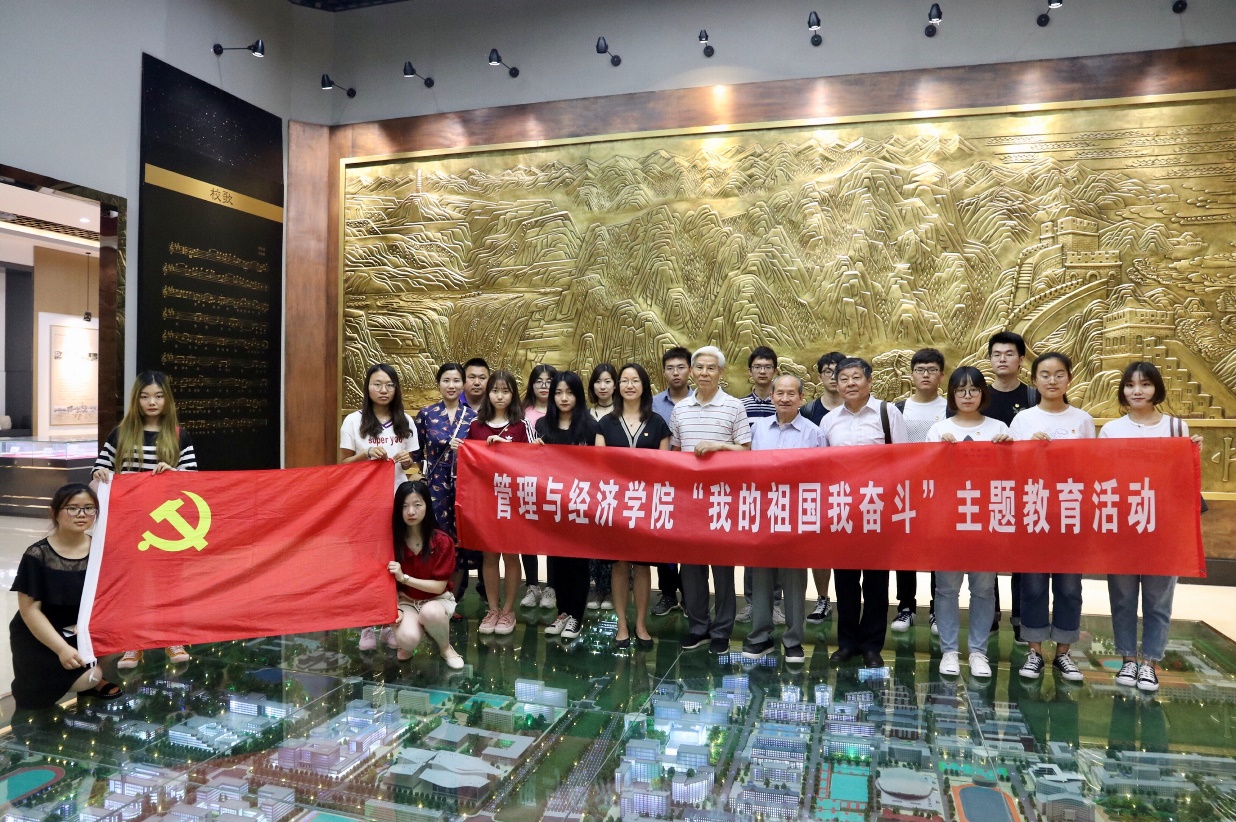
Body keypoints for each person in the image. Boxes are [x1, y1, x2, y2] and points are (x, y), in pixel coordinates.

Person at [1100, 361, 1202, 692]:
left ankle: (1150, 664)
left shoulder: (1176, 427)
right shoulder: (1111, 430)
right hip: (1123, 526)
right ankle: (1128, 660)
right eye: (1130, 385)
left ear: (1156, 388)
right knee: (1123, 598)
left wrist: (1193, 454)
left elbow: (1181, 479)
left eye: (1145, 384)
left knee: (1158, 600)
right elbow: (1103, 477)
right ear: (1123, 391)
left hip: (1164, 528)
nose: (1137, 391)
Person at [92, 371, 197, 669]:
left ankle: (173, 639)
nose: (152, 402)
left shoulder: (179, 435)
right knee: (132, 583)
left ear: (167, 399)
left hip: (167, 523)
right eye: (145, 396)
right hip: (129, 521)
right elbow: (99, 469)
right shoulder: (120, 433)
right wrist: (100, 473)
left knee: (169, 582)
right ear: (136, 400)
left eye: (158, 396)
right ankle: (133, 644)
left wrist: (173, 474)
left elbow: (193, 478)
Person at [1010, 352, 1095, 682]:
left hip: (1070, 513)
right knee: (1033, 585)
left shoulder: (1082, 420)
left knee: (1069, 586)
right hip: (1034, 511)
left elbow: (1092, 467)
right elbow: (1010, 469)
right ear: (1034, 381)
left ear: (1069, 379)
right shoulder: (1023, 420)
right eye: (1044, 375)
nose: (1052, 380)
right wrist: (1028, 448)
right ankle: (1034, 652)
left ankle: (1063, 653)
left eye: (1059, 374)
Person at [820, 357, 907, 668]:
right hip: (842, 509)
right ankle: (846, 643)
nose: (850, 383)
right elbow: (821, 467)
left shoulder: (887, 412)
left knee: (875, 582)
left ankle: (871, 646)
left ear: (869, 381)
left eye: (856, 377)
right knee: (844, 581)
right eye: (844, 378)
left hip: (878, 508)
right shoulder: (829, 420)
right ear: (836, 384)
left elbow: (903, 460)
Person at [926, 366, 1012, 678]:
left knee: (984, 588)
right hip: (949, 521)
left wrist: (1008, 451)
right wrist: (938, 453)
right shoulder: (939, 430)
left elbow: (1012, 476)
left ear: (982, 393)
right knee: (947, 588)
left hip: (987, 521)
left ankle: (978, 652)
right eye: (960, 390)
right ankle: (949, 650)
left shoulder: (998, 427)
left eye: (973, 389)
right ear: (952, 395)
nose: (967, 396)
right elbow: (925, 476)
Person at [670, 345, 752, 654]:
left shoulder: (734, 407)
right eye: (700, 367)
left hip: (722, 499)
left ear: (721, 373)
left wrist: (719, 447)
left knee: (722, 568)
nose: (705, 373)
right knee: (691, 568)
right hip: (689, 501)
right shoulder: (680, 409)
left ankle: (721, 630)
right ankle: (698, 626)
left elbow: (746, 451)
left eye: (711, 368)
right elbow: (675, 454)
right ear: (692, 371)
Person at [10, 483, 122, 709]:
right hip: (41, 634)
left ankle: (92, 678)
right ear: (54, 512)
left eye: (89, 508)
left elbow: (112, 597)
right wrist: (61, 648)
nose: (82, 514)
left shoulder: (102, 550)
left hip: (81, 629)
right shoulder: (37, 555)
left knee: (101, 663)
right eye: (72, 508)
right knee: (74, 682)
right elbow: (29, 610)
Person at [742, 375, 827, 664]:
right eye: (780, 393)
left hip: (797, 513)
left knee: (793, 580)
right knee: (761, 576)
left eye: (791, 394)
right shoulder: (758, 429)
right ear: (772, 397)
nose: (785, 398)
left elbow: (821, 476)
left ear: (801, 398)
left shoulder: (814, 433)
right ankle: (760, 636)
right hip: (763, 511)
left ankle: (793, 641)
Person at [340, 363, 419, 652]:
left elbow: (411, 466)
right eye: (377, 384)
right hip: (364, 503)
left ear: (396, 389)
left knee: (393, 560)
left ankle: (389, 622)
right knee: (366, 562)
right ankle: (366, 625)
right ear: (368, 387)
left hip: (398, 501)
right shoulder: (353, 421)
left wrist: (408, 462)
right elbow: (343, 466)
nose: (383, 390)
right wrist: (365, 455)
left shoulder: (405, 421)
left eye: (389, 385)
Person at [596, 363, 671, 650]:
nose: (629, 385)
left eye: (635, 380)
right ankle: (621, 624)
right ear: (618, 387)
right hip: (615, 502)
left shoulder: (657, 423)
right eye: (625, 380)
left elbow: (665, 467)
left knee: (641, 565)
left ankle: (640, 623)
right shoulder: (605, 423)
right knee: (619, 564)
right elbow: (600, 465)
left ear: (644, 386)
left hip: (646, 503)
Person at [467, 370, 535, 636]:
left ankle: (508, 610)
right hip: (485, 499)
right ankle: (493, 609)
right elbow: (471, 463)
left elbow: (532, 463)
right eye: (495, 391)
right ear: (488, 394)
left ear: (513, 395)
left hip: (513, 501)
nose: (500, 396)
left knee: (510, 555)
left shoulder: (521, 425)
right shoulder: (476, 425)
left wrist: (506, 449)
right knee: (489, 556)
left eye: (505, 391)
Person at [534, 372, 600, 641]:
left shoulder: (590, 426)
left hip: (580, 502)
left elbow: (598, 465)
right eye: (559, 392)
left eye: (570, 393)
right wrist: (533, 450)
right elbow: (532, 465)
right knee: (556, 560)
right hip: (552, 503)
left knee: (577, 561)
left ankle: (576, 616)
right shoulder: (542, 426)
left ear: (578, 396)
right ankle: (562, 612)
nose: (564, 398)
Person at [986, 331, 1040, 642]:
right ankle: (990, 615)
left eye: (1009, 354)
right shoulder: (979, 396)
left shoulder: (1034, 397)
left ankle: (1021, 618)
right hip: (987, 490)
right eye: (997, 354)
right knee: (988, 555)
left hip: (1026, 490)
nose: (1002, 359)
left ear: (1021, 360)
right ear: (990, 359)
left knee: (1023, 558)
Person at [891, 348, 947, 634]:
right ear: (911, 374)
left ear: (941, 375)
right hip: (906, 487)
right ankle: (906, 607)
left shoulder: (950, 408)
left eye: (932, 370)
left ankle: (938, 609)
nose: (926, 375)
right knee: (906, 548)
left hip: (940, 488)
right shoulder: (898, 408)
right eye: (920, 370)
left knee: (938, 547)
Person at [414, 363, 477, 613]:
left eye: (456, 381)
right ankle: (431, 596)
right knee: (436, 540)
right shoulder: (426, 414)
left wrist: (465, 450)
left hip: (464, 487)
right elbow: (416, 452)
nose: (451, 386)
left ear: (463, 385)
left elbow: (481, 455)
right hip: (435, 488)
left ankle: (453, 601)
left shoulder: (473, 417)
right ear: (438, 384)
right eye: (446, 381)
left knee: (460, 542)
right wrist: (420, 476)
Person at [388, 480, 464, 669]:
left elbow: (438, 587)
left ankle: (445, 648)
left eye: (417, 505)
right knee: (407, 640)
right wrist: (395, 608)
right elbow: (387, 582)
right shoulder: (392, 541)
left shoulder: (442, 541)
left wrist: (404, 578)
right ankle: (410, 634)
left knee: (431, 613)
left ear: (427, 506)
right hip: (406, 601)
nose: (411, 512)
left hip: (437, 600)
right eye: (404, 506)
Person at [736, 346, 781, 626]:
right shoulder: (739, 406)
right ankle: (752, 602)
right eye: (757, 367)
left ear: (775, 370)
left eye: (767, 367)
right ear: (750, 371)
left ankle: (775, 604)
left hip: (780, 487)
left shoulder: (784, 401)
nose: (762, 371)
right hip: (750, 487)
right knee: (751, 546)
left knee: (777, 546)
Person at [802, 351, 846, 624]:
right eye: (828, 371)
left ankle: (850, 599)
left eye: (838, 371)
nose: (833, 376)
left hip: (852, 490)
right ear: (820, 377)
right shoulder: (808, 411)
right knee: (819, 549)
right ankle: (822, 598)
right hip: (817, 489)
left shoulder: (856, 409)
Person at [651, 347, 692, 617]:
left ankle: (690, 595)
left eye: (681, 367)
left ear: (690, 369)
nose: (675, 373)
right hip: (661, 483)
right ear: (664, 371)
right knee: (663, 540)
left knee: (690, 540)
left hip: (692, 484)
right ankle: (667, 593)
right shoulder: (653, 404)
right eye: (670, 368)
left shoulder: (700, 401)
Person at [520, 364, 558, 610]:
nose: (544, 386)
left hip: (554, 482)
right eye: (539, 381)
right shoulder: (521, 412)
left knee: (553, 536)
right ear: (531, 384)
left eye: (549, 381)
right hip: (527, 480)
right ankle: (532, 586)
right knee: (527, 536)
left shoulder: (561, 410)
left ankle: (552, 587)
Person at [586, 364, 620, 611]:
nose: (602, 386)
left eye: (607, 381)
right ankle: (596, 587)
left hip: (616, 485)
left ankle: (611, 589)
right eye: (598, 381)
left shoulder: (622, 413)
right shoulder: (585, 414)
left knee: (612, 538)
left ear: (615, 385)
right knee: (593, 538)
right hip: (589, 485)